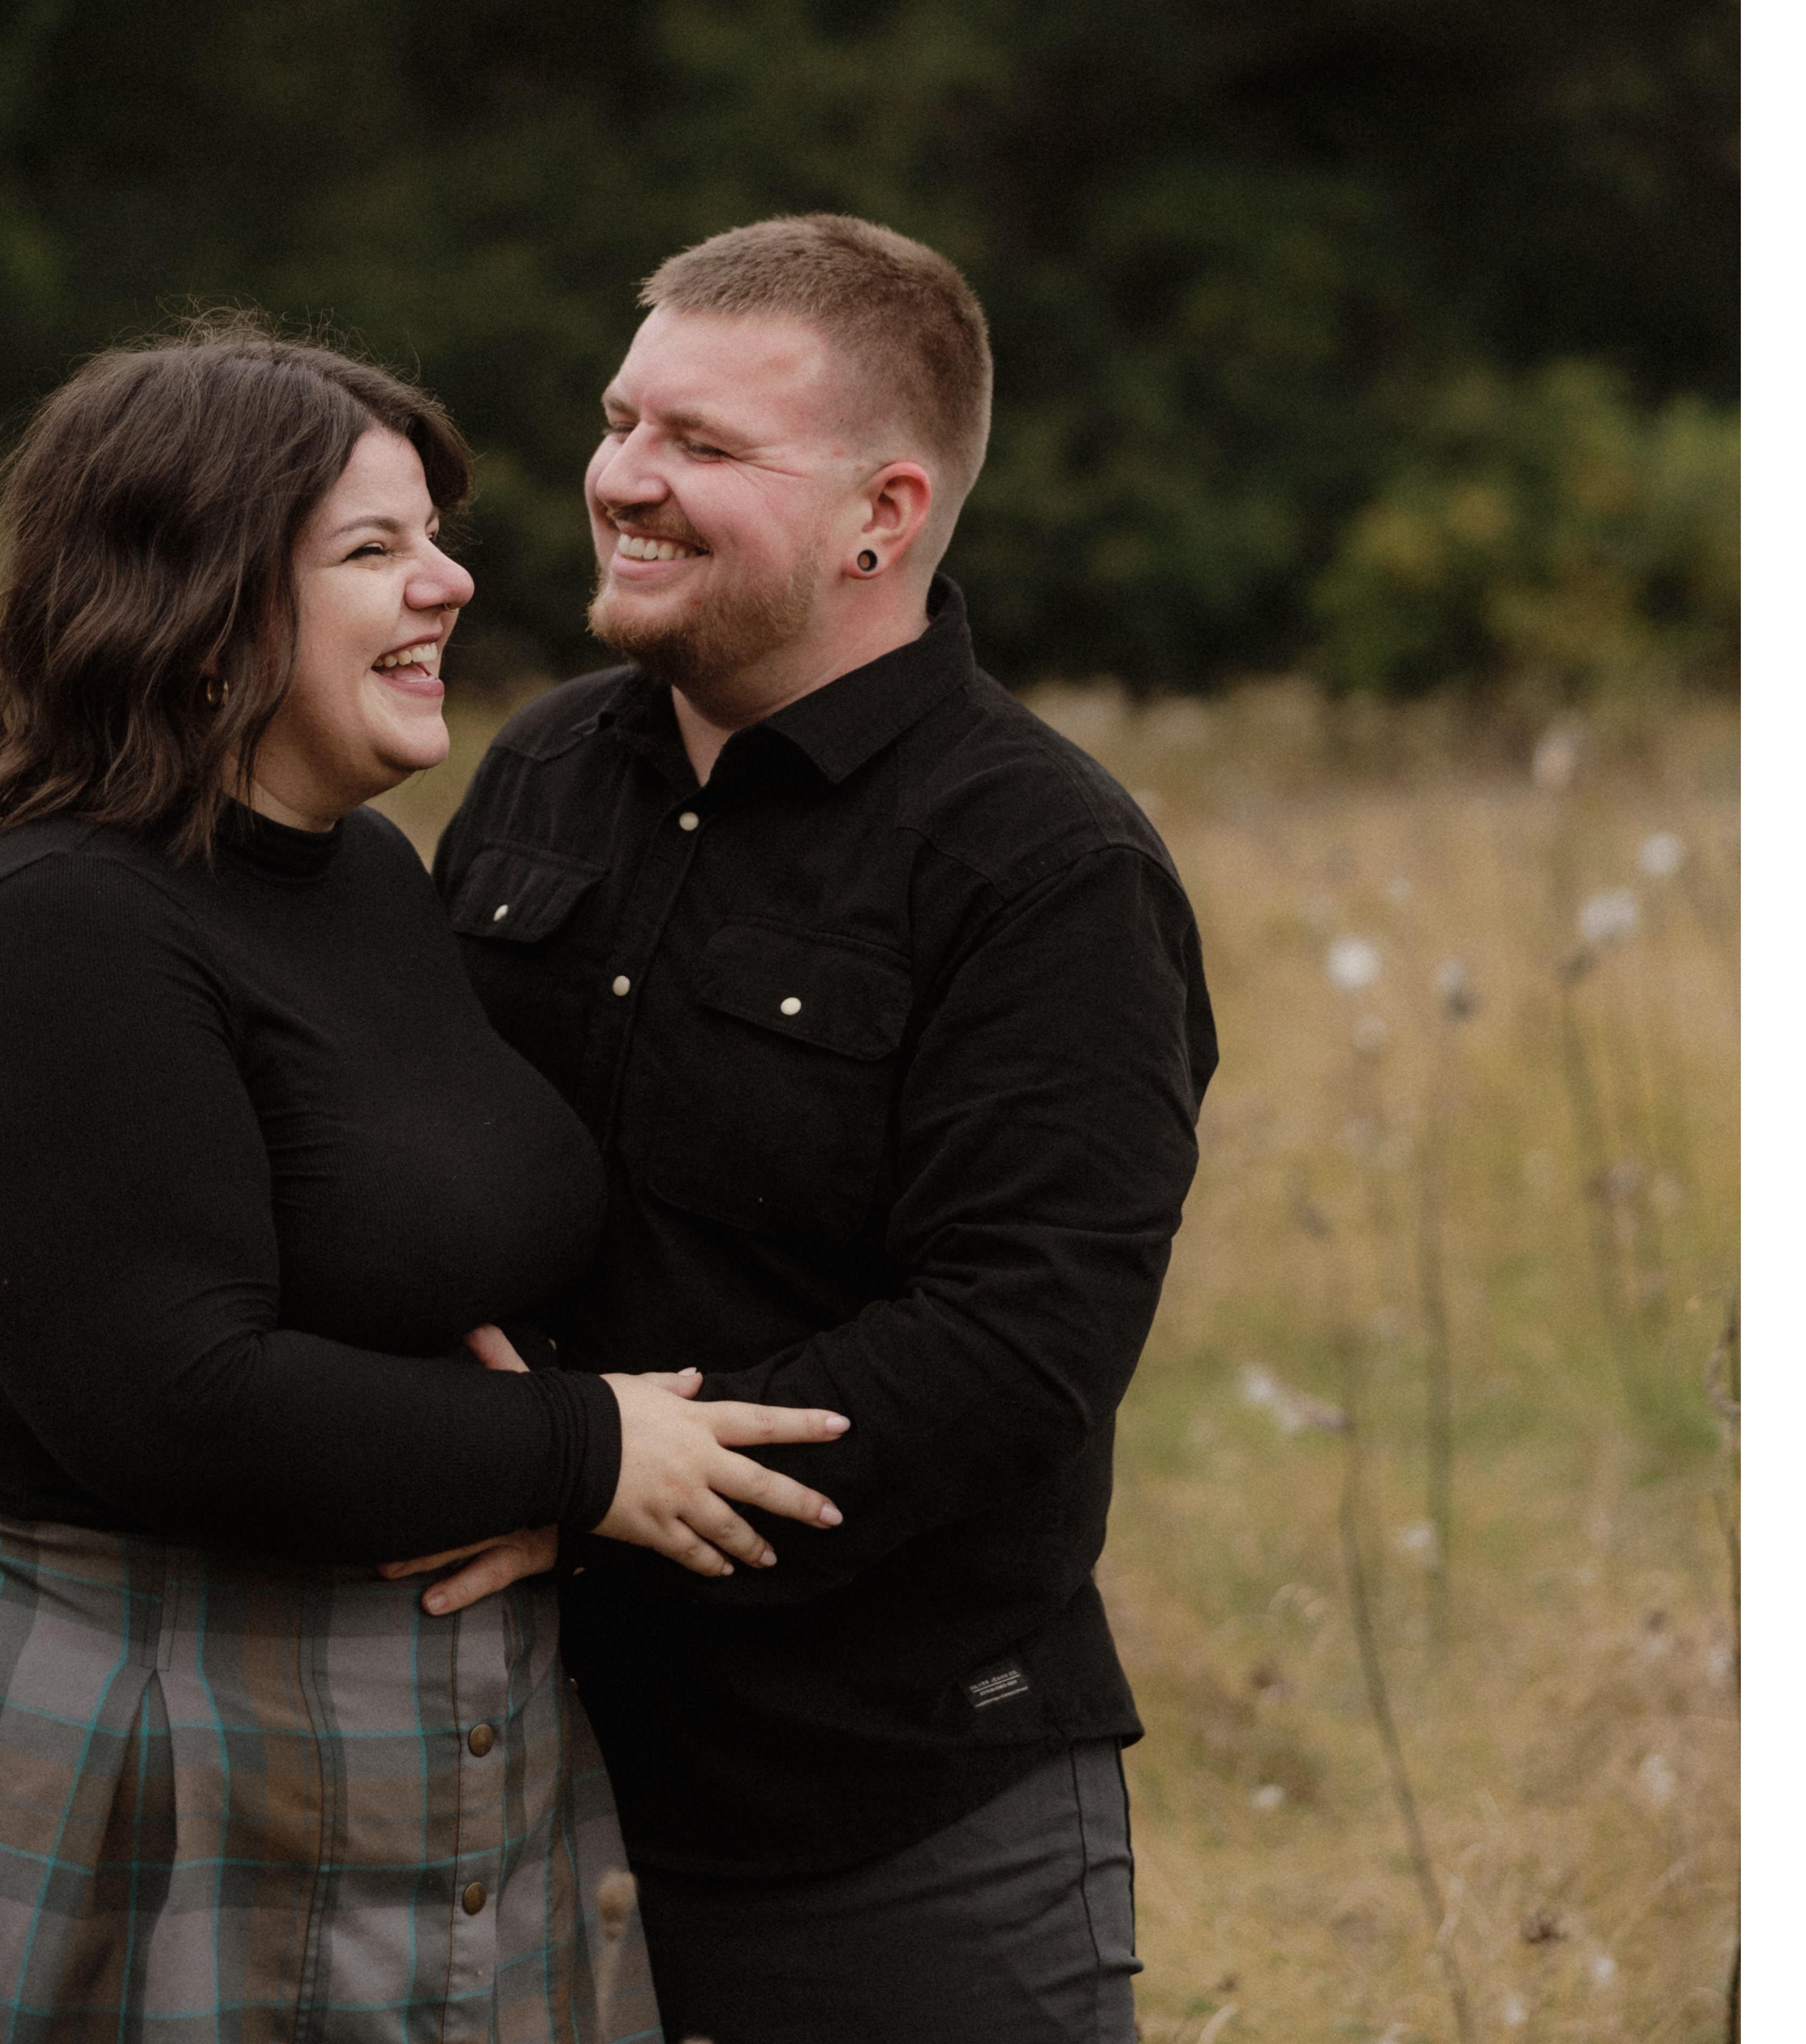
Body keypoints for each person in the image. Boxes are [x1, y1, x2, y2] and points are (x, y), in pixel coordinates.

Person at [0, 320, 850, 2044]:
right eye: (372, 549)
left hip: (376, 1728)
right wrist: (582, 1447)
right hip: (100, 1725)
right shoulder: (64, 929)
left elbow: (394, 1232)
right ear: (197, 611)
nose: (449, 582)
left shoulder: (365, 875)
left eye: (435, 537)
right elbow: (173, 1400)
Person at [423, 216, 1219, 2044]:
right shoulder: (542, 768)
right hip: (499, 1770)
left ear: (884, 510)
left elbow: (1016, 1341)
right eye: (623, 420)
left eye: (703, 444)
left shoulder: (1044, 864)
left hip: (884, 1811)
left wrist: (596, 1485)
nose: (624, 477)